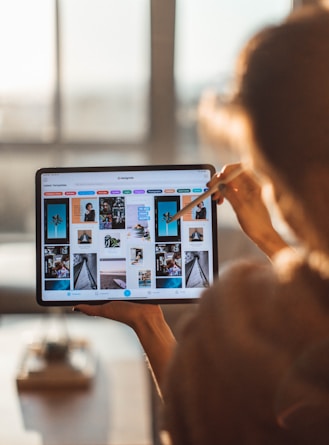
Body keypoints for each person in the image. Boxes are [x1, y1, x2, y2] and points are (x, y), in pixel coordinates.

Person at [73, 5, 329, 444]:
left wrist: (149, 326)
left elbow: (200, 433)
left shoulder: (240, 320)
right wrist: (270, 238)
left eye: (266, 172)